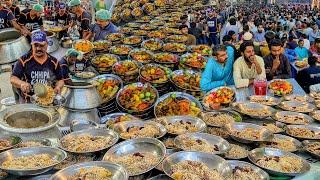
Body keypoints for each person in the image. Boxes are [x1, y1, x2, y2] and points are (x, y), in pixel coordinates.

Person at [10, 31, 65, 102]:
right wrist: (22, 83)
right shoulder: (23, 60)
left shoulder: (54, 62)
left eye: (41, 45)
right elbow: (13, 78)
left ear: (47, 44)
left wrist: (58, 86)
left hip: (48, 99)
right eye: (35, 45)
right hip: (29, 100)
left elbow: (60, 80)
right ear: (31, 45)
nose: (38, 48)